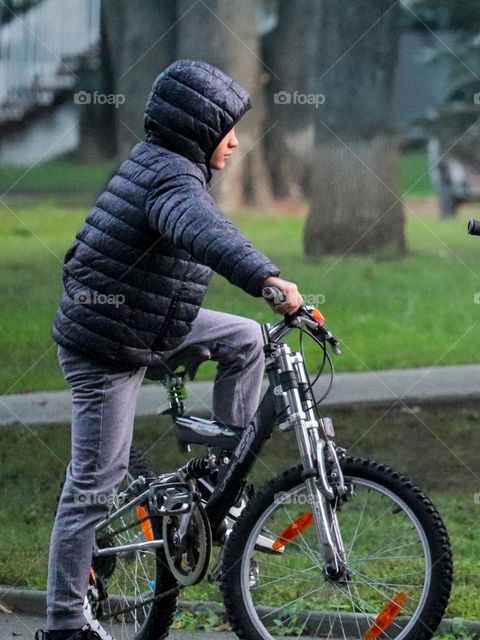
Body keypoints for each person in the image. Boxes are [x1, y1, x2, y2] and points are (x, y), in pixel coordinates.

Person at [38, 59, 304, 640]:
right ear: (196, 130)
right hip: (105, 343)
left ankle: (224, 478)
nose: (235, 142)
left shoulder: (167, 166)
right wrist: (266, 278)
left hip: (149, 319)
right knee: (95, 482)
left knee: (246, 339)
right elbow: (205, 232)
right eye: (227, 130)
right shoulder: (170, 180)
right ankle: (63, 623)